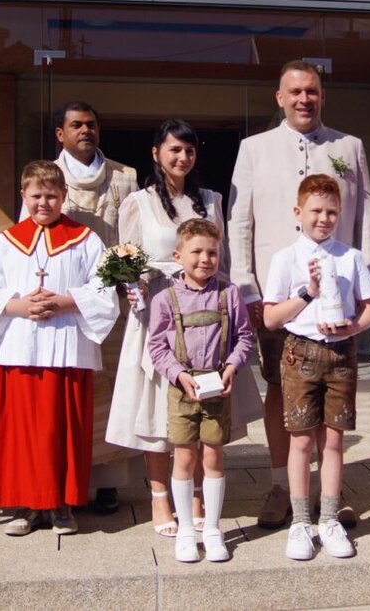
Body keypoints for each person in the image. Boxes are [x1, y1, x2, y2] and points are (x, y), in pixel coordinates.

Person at [228, 59, 370, 529]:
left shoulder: (348, 146)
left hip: (339, 297)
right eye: (294, 91)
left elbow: (368, 216)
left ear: (322, 95)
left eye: (312, 91)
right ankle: (280, 486)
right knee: (282, 391)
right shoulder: (253, 148)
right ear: (280, 97)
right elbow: (240, 221)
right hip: (280, 296)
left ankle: (328, 492)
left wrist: (366, 281)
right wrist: (248, 288)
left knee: (332, 395)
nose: (303, 99)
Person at [106, 120, 261, 538]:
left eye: (189, 151)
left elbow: (221, 260)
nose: (182, 158)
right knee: (158, 410)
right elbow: (127, 263)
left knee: (205, 407)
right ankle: (160, 498)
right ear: (156, 153)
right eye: (174, 150)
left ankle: (195, 491)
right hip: (158, 311)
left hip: (207, 316)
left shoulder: (210, 199)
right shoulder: (137, 202)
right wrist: (134, 285)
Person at [0, 160, 120, 537]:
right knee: (20, 431)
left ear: (64, 196)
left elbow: (104, 292)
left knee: (60, 430)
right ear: (23, 195)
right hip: (18, 349)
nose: (44, 203)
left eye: (52, 195)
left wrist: (64, 302)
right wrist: (20, 306)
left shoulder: (85, 240)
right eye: (36, 195)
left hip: (66, 349)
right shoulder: (6, 242)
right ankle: (23, 504)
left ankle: (61, 505)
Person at [263, 174, 370, 560]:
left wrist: (353, 326)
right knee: (300, 439)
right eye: (316, 210)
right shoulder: (284, 258)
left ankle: (328, 517)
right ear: (298, 212)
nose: (324, 218)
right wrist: (307, 294)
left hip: (340, 354)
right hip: (300, 353)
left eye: (331, 211)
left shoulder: (350, 257)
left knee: (333, 440)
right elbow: (271, 319)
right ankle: (300, 522)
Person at [42, 101, 140, 515]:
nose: (86, 131)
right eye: (76, 125)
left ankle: (108, 484)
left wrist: (124, 279)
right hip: (65, 303)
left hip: (112, 301)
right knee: (70, 392)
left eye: (92, 125)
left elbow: (133, 236)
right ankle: (67, 478)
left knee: (112, 389)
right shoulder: (46, 174)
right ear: (60, 134)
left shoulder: (125, 176)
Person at [147, 218, 254, 563]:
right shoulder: (165, 299)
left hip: (217, 389)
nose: (205, 259)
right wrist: (179, 375)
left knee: (213, 456)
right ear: (178, 256)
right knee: (184, 456)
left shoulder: (228, 293)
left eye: (212, 252)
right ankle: (187, 533)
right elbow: (158, 348)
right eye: (196, 252)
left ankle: (212, 528)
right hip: (182, 389)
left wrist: (232, 367)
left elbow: (244, 338)